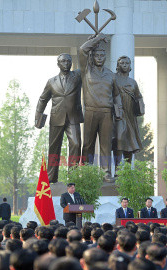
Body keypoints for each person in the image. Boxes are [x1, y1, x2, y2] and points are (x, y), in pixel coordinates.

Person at [78, 33, 122, 183]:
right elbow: (82, 50)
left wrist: (119, 110)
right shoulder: (86, 70)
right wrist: (96, 39)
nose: (99, 57)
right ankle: (87, 171)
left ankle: (106, 173)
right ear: (92, 56)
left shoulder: (111, 75)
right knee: (88, 144)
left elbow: (116, 95)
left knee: (106, 145)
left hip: (106, 113)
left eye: (102, 55)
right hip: (90, 111)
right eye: (96, 55)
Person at [35, 53, 84, 184]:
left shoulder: (77, 76)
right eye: (63, 61)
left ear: (71, 63)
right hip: (56, 117)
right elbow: (43, 99)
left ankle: (72, 178)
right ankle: (51, 178)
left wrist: (93, 42)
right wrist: (37, 116)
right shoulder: (51, 81)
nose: (66, 63)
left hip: (73, 117)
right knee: (54, 148)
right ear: (58, 64)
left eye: (68, 61)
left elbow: (85, 59)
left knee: (76, 143)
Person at [112, 56, 144, 172]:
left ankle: (127, 170)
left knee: (130, 141)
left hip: (130, 114)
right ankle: (117, 170)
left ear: (130, 66)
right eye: (122, 63)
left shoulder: (133, 82)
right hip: (118, 113)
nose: (124, 65)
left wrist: (140, 106)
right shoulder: (113, 78)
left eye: (127, 63)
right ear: (118, 65)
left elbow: (138, 97)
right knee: (119, 139)